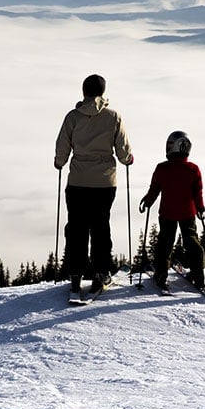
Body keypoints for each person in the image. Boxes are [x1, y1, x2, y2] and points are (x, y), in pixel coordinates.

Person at [54, 74, 133, 294]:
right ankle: (100, 272)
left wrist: (59, 162)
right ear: (103, 92)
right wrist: (128, 160)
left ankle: (76, 273)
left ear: (84, 91)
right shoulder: (113, 116)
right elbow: (123, 150)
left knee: (77, 227)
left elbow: (62, 147)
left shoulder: (73, 117)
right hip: (104, 183)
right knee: (100, 226)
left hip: (78, 181)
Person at [139, 131, 205, 290]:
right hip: (188, 212)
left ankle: (161, 274)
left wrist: (147, 202)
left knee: (165, 243)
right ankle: (199, 275)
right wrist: (200, 207)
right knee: (191, 241)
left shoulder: (162, 168)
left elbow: (154, 189)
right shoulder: (193, 169)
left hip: (167, 212)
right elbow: (198, 192)